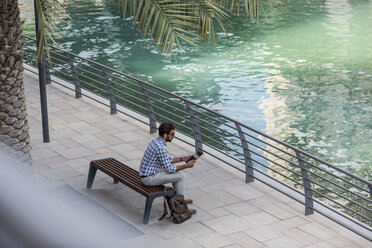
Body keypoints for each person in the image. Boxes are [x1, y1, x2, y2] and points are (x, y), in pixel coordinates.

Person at [139, 122, 197, 214]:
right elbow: (169, 169)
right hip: (149, 178)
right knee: (180, 176)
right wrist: (186, 165)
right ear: (165, 134)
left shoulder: (155, 141)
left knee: (177, 174)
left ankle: (181, 200)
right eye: (172, 134)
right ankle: (183, 208)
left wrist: (183, 158)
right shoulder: (161, 148)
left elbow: (166, 159)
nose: (173, 136)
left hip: (149, 172)